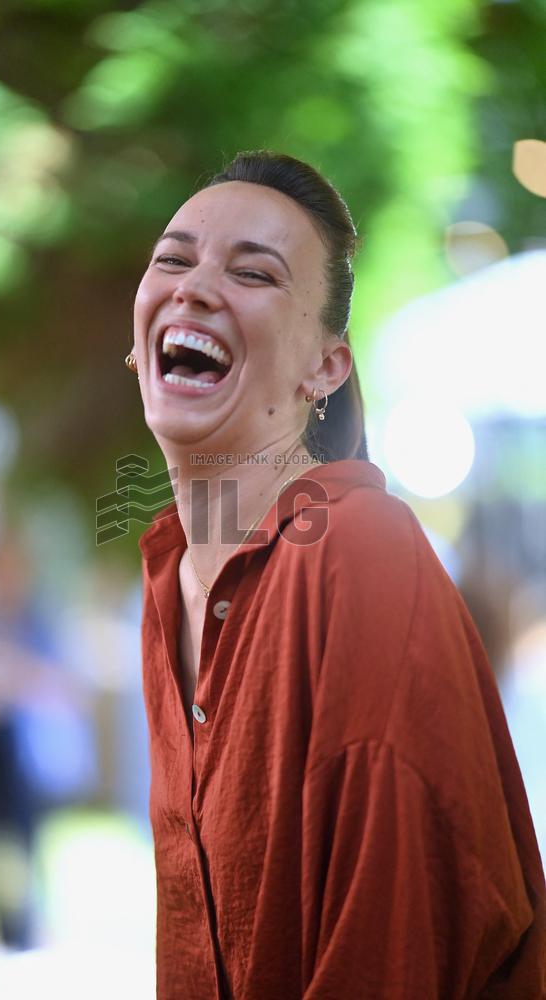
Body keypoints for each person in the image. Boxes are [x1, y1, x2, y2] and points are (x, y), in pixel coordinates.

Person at [127, 151, 546, 999]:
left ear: (327, 367)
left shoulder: (361, 552)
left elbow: (393, 951)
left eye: (253, 272)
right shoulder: (169, 576)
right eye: (173, 259)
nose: (194, 287)